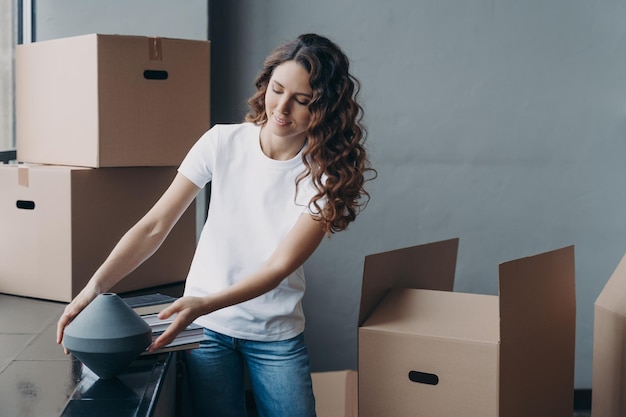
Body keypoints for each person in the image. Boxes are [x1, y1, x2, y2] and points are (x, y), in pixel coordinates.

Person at [56, 33, 375, 417]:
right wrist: (94, 288)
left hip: (273, 332)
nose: (282, 108)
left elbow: (277, 268)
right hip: (207, 330)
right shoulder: (222, 142)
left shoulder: (324, 176)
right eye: (277, 90)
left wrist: (202, 303)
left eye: (302, 101)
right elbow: (155, 226)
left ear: (325, 108)